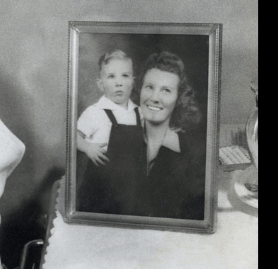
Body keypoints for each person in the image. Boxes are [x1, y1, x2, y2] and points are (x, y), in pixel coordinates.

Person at [136, 51, 206, 220]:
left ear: (179, 98)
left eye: (166, 90)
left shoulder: (193, 155)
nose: (154, 98)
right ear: (140, 90)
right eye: (149, 87)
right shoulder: (117, 139)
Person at [75, 50, 143, 214]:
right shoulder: (95, 112)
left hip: (131, 190)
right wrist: (88, 147)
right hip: (100, 189)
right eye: (111, 76)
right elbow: (73, 137)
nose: (118, 82)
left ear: (133, 82)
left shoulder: (139, 113)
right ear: (100, 83)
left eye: (125, 76)